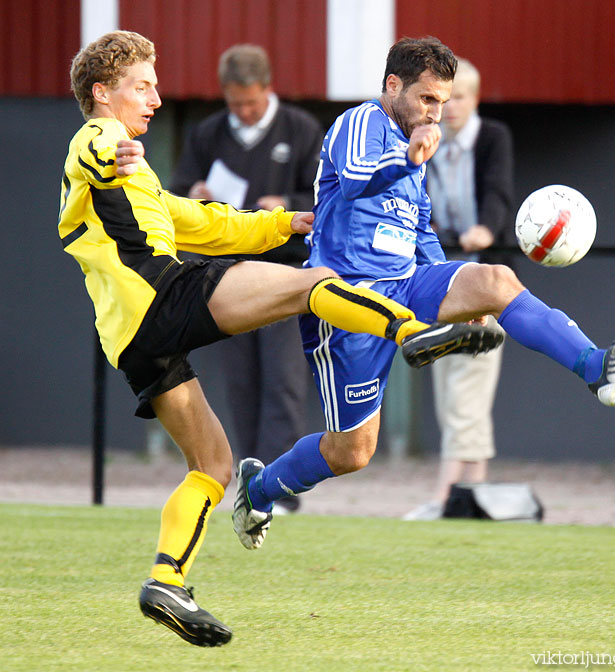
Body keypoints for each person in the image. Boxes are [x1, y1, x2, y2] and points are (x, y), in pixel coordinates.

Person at [60, 31, 501, 647]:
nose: (156, 97)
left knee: (213, 466)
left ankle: (167, 579)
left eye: (156, 85)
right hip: (162, 295)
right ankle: (413, 328)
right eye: (143, 85)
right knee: (312, 281)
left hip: (133, 340)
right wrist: (111, 152)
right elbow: (91, 149)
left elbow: (197, 220)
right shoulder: (102, 140)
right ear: (103, 94)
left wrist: (281, 223)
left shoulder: (137, 179)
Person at [232, 36, 615, 545]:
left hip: (406, 284)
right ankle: (257, 491)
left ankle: (598, 369)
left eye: (443, 101)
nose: (437, 112)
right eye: (428, 99)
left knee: (496, 280)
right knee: (352, 451)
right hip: (346, 302)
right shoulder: (361, 124)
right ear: (393, 86)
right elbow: (352, 181)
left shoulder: (419, 145)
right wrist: (409, 161)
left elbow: (420, 233)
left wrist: (461, 299)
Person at [170, 44, 325, 514]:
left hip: (285, 269)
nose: (243, 111)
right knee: (240, 381)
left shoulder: (301, 129)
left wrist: (285, 201)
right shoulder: (208, 133)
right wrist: (194, 195)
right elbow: (176, 192)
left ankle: (279, 488)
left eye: (251, 103)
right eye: (235, 103)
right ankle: (249, 478)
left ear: (268, 89)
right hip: (225, 273)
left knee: (283, 379)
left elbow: (322, 196)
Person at [404, 58, 514, 521]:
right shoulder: (429, 141)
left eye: (460, 99)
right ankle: (474, 492)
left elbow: (498, 192)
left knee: (469, 384)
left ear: (477, 100)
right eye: (443, 101)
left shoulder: (491, 139)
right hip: (440, 275)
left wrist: (485, 230)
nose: (449, 110)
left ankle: (449, 493)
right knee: (450, 383)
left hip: (483, 277)